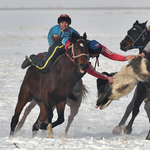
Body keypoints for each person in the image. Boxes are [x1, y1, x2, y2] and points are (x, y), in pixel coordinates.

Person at [21, 14, 135, 84]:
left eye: (66, 22)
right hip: (60, 46)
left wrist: (126, 57)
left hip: (72, 48)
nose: (64, 24)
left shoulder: (97, 46)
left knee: (78, 71)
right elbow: (91, 70)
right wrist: (106, 78)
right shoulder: (55, 30)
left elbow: (111, 55)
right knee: (45, 67)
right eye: (62, 22)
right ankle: (33, 58)